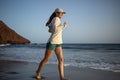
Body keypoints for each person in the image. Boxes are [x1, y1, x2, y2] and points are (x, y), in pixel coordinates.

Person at [36, 8, 68, 80]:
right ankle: (38, 72)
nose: (62, 14)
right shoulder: (56, 19)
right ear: (57, 13)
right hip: (52, 42)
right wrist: (64, 26)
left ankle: (62, 77)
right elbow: (56, 29)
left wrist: (60, 27)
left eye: (63, 13)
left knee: (61, 60)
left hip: (58, 42)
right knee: (46, 59)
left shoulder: (56, 20)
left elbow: (51, 30)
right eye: (61, 13)